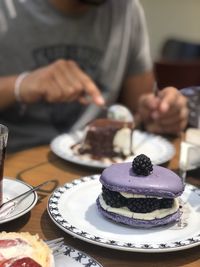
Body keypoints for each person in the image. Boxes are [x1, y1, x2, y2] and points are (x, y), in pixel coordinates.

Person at [0, 0, 188, 153]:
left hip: (99, 164)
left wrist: (159, 114)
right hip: (15, 167)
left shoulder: (126, 10)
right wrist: (19, 85)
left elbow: (139, 109)